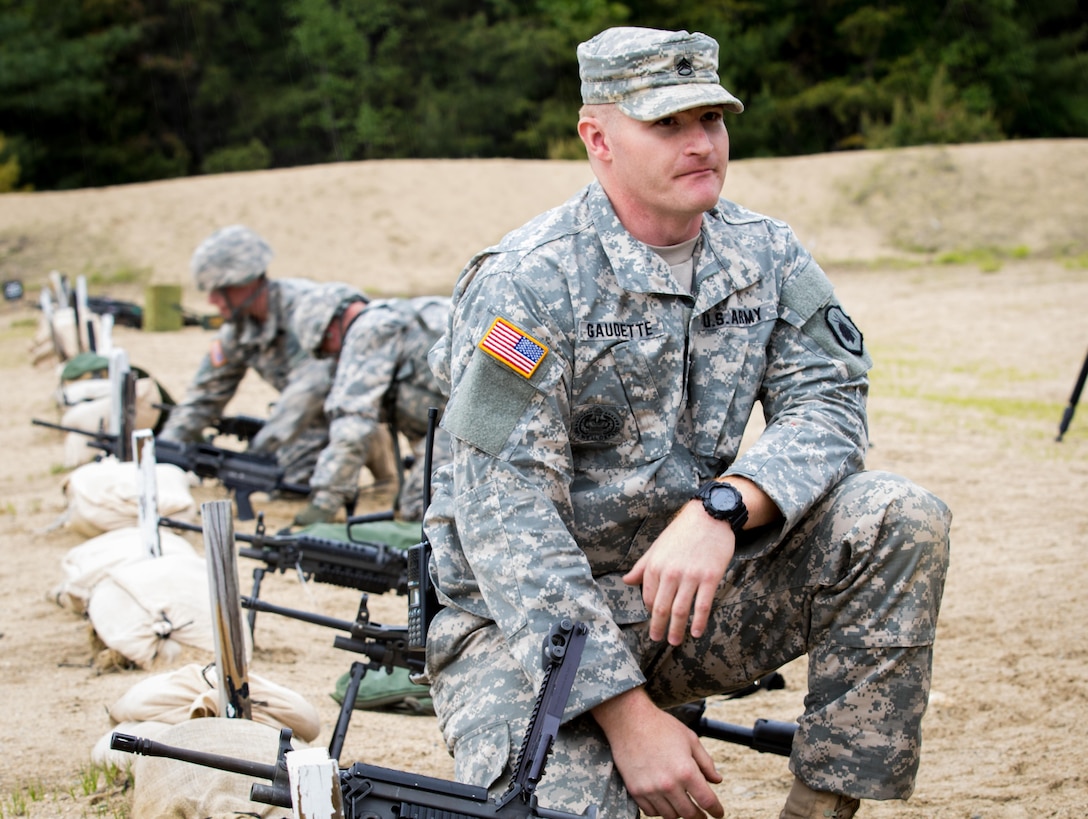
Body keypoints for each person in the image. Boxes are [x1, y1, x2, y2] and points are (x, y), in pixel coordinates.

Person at [421, 26, 952, 819]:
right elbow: (504, 520)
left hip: (685, 602)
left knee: (898, 518)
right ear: (597, 138)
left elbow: (831, 402)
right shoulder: (527, 284)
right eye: (667, 124)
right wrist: (630, 717)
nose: (700, 142)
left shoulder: (765, 255)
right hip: (522, 632)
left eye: (710, 118)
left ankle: (819, 810)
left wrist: (727, 507)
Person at [159, 224, 396, 490]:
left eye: (219, 289)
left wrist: (253, 458)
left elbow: (307, 395)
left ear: (244, 281)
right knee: (285, 484)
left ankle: (376, 447)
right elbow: (203, 396)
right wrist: (165, 451)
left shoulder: (307, 310)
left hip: (346, 411)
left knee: (283, 479)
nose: (213, 301)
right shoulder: (238, 330)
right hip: (300, 420)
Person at [289, 282, 453, 525]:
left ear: (330, 330)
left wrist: (324, 502)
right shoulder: (398, 316)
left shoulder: (367, 331)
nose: (334, 360)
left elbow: (352, 427)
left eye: (326, 351)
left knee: (422, 508)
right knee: (418, 498)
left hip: (475, 424)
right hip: (477, 418)